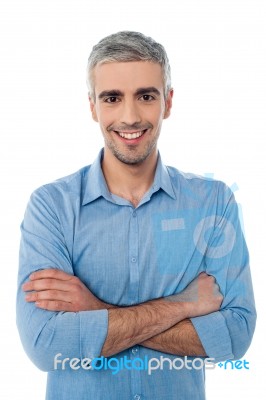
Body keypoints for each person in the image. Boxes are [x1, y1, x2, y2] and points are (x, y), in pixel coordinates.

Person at [17, 31, 256, 400]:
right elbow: (46, 344)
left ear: (168, 102)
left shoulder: (213, 202)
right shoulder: (51, 207)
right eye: (112, 98)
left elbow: (235, 335)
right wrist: (183, 306)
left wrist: (95, 311)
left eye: (146, 96)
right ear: (93, 106)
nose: (130, 117)